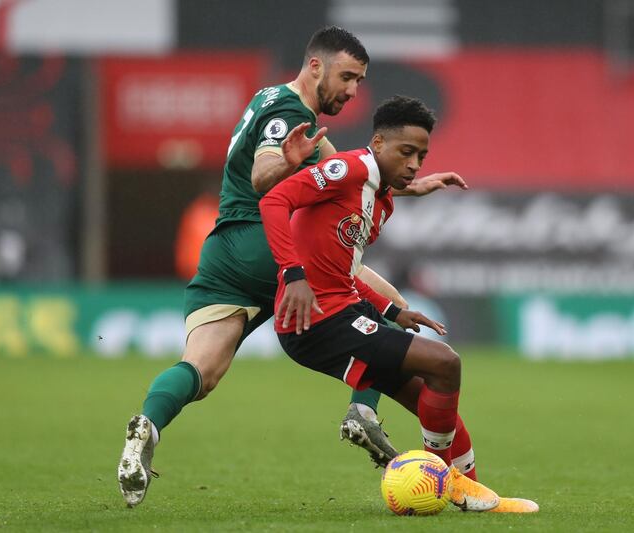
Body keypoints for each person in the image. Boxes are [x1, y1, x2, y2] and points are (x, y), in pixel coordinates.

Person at [117, 26, 466, 507]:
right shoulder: (291, 111)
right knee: (368, 294)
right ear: (315, 66)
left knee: (202, 369)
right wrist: (285, 163)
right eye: (347, 77)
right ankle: (364, 408)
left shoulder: (269, 98)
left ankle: (148, 425)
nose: (352, 91)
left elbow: (352, 169)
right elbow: (266, 176)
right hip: (266, 241)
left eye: (360, 81)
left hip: (222, 254)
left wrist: (413, 184)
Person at [259, 95, 539, 513]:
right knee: (445, 363)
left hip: (341, 310)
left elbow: (342, 267)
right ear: (377, 142)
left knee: (431, 392)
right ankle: (447, 480)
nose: (414, 164)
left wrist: (392, 311)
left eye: (421, 156)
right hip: (316, 318)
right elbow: (274, 200)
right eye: (406, 152)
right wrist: (292, 274)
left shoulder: (380, 198)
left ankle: (473, 493)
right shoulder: (349, 168)